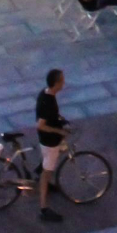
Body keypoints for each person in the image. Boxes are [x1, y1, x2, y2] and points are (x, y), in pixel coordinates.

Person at [33, 69, 71, 223]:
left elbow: (50, 116)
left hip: (51, 140)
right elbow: (41, 125)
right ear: (56, 83)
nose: (64, 82)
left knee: (52, 158)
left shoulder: (46, 93)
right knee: (47, 172)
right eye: (62, 80)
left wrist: (59, 120)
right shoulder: (48, 102)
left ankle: (42, 170)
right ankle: (44, 209)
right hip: (49, 141)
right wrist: (58, 129)